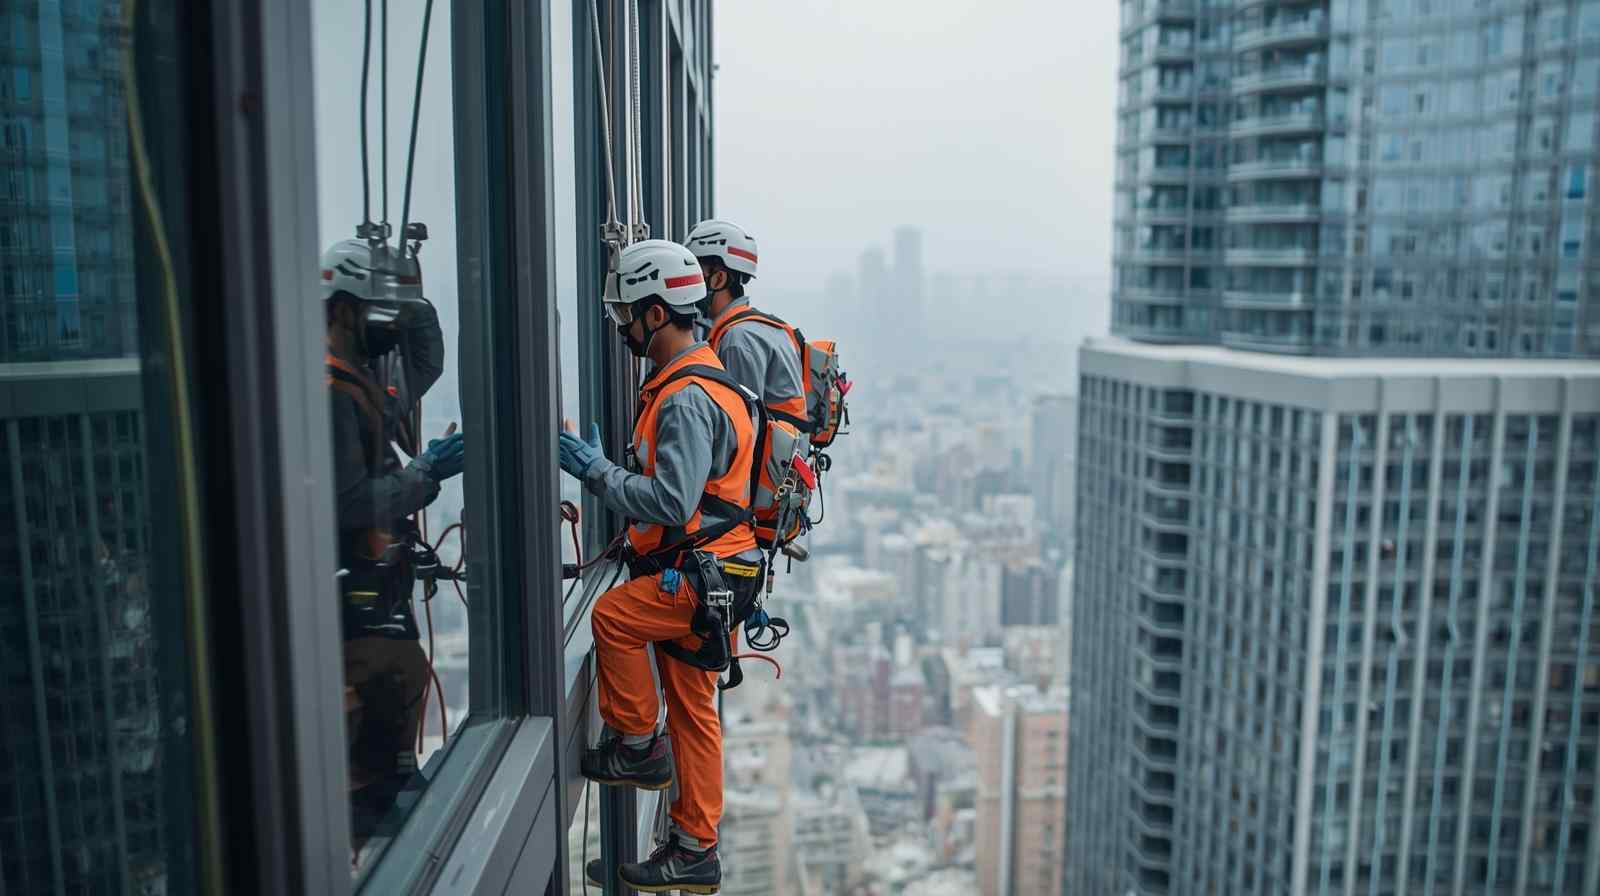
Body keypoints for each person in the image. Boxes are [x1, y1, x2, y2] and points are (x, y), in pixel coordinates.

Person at [558, 239, 763, 894]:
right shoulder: (708, 379)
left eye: (627, 314)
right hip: (720, 577)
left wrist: (596, 472)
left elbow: (672, 500)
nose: (622, 327)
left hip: (698, 573)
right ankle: (693, 848)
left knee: (613, 618)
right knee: (695, 712)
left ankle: (637, 745)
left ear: (653, 312)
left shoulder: (684, 398)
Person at [322, 238, 465, 847]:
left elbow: (425, 362)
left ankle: (381, 803)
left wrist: (410, 294)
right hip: (350, 582)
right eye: (377, 312)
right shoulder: (330, 393)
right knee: (391, 684)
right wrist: (425, 475)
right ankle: (367, 820)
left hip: (375, 580)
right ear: (345, 309)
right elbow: (352, 501)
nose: (389, 330)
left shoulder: (362, 379)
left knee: (405, 681)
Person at [685, 220, 809, 437]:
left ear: (719, 278)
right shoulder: (762, 328)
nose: (689, 285)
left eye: (696, 276)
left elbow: (739, 429)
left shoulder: (737, 340)